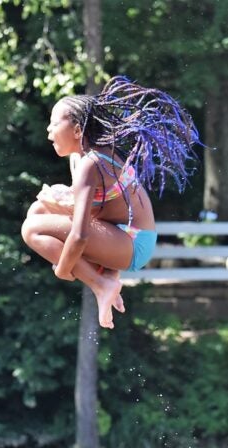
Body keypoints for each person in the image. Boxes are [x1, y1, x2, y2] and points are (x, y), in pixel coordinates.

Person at [21, 76, 199, 329]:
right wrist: (64, 201)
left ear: (77, 130)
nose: (48, 130)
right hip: (120, 235)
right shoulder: (81, 158)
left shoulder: (90, 164)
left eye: (53, 124)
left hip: (132, 242)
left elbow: (80, 235)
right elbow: (102, 208)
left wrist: (63, 268)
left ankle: (101, 284)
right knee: (38, 209)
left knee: (31, 229)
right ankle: (104, 279)